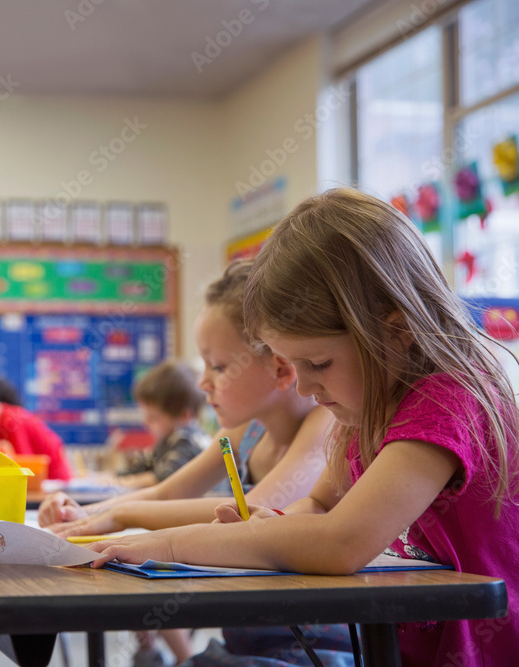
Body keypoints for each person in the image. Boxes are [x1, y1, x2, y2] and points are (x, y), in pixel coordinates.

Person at [89, 189, 519, 666]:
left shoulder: (446, 400)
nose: (304, 385)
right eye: (295, 364)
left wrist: (169, 545)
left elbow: (342, 543)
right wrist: (282, 524)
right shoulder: (363, 410)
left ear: (396, 333)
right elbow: (320, 502)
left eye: (317, 362)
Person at [39, 260, 334, 538]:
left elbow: (254, 509)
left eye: (218, 366)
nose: (203, 382)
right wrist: (80, 513)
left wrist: (124, 514)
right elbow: (165, 493)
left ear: (280, 368)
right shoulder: (251, 428)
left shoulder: (326, 422)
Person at [115, 360, 206, 490]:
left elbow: (164, 479)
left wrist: (119, 482)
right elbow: (141, 468)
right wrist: (111, 477)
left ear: (184, 415)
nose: (145, 422)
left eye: (153, 417)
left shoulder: (187, 439)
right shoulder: (167, 440)